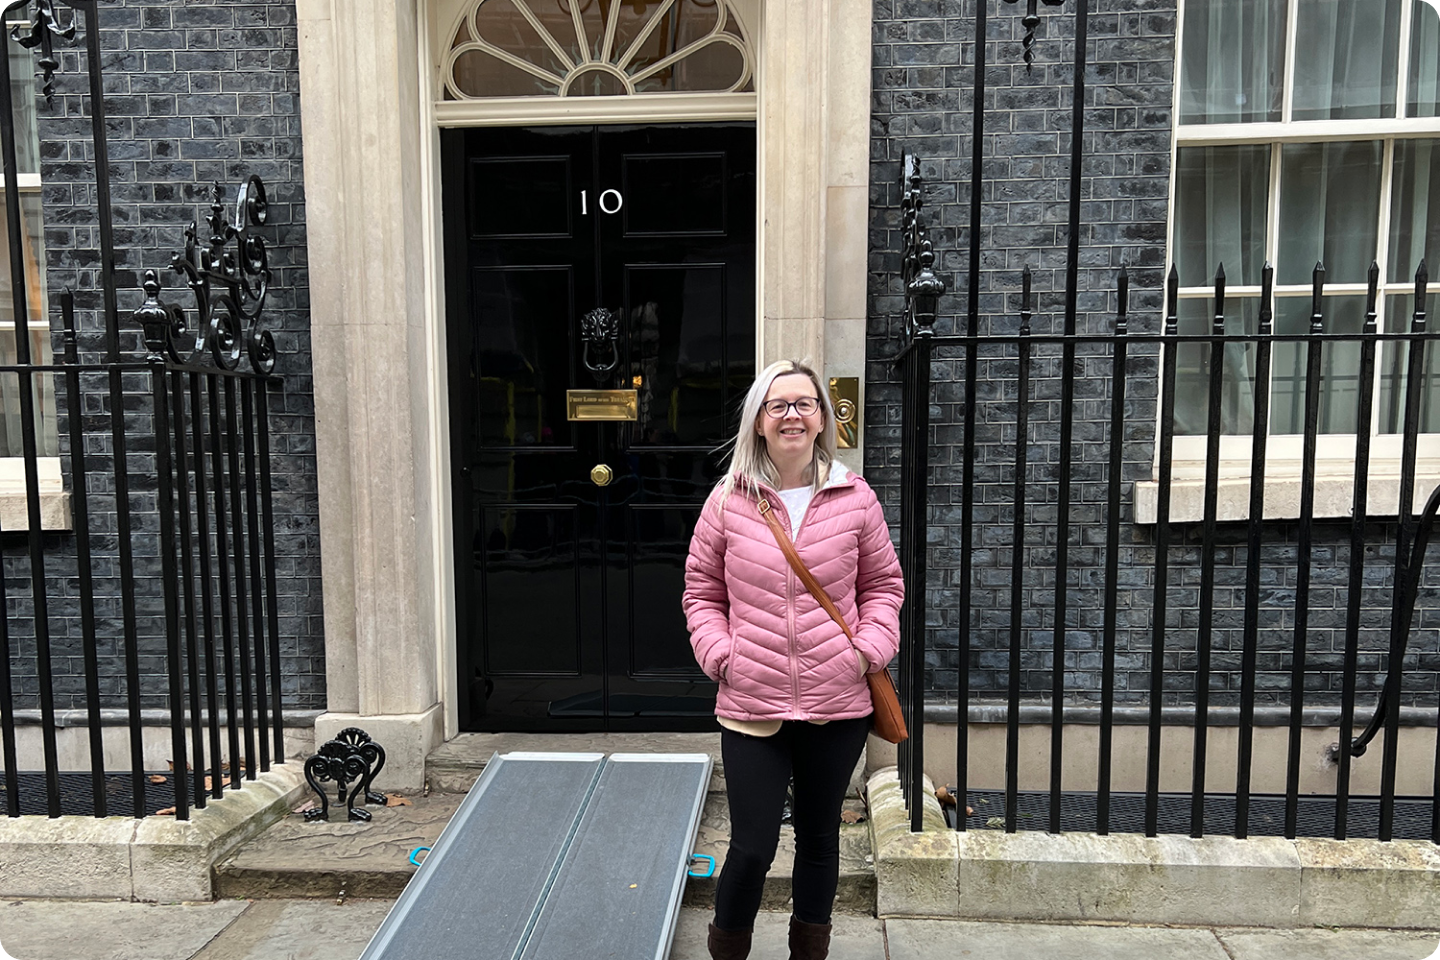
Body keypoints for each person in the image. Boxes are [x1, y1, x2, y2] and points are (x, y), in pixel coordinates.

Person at [683, 359, 904, 960]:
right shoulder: (729, 500)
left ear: (822, 419)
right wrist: (721, 655)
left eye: (805, 404)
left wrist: (867, 651)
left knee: (817, 841)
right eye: (778, 405)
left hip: (838, 700)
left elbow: (883, 585)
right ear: (758, 421)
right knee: (752, 846)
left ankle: (809, 952)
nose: (792, 416)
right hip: (752, 699)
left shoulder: (854, 496)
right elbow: (701, 592)